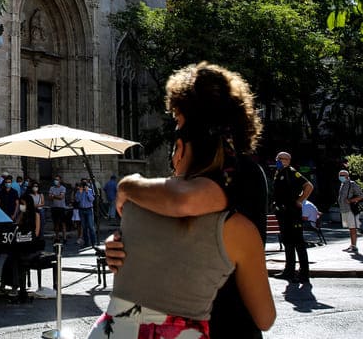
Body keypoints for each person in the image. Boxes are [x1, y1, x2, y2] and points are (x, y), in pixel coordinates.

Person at [90, 62, 275, 339]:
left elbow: (184, 203)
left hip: (229, 326)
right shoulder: (180, 189)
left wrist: (129, 185)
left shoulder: (241, 171)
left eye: (178, 118)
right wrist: (120, 246)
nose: (176, 129)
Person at [273, 151, 313, 284]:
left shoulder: (291, 172)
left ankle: (304, 273)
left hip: (292, 213)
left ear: (287, 160)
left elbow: (308, 186)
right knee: (287, 242)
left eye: (280, 159)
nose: (277, 161)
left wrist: (300, 200)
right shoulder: (279, 173)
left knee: (298, 242)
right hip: (283, 213)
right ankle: (289, 271)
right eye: (277, 158)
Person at [0, 193, 43, 298]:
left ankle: (15, 286)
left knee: (16, 258)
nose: (21, 205)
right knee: (10, 258)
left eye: (22, 204)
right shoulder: (23, 214)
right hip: (22, 243)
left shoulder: (36, 215)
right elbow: (17, 226)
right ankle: (4, 284)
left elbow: (36, 233)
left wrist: (25, 236)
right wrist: (20, 216)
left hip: (32, 245)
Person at [338, 169, 363, 254]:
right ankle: (352, 245)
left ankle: (354, 246)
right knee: (350, 228)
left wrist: (351, 200)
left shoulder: (352, 184)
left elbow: (361, 196)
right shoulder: (342, 184)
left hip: (351, 210)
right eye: (340, 175)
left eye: (342, 175)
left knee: (352, 228)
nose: (340, 177)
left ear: (347, 176)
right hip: (344, 209)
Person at [75, 179, 96, 247]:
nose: (83, 187)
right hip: (82, 210)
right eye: (82, 186)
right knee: (84, 227)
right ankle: (86, 242)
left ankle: (93, 242)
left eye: (84, 186)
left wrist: (87, 192)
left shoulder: (90, 190)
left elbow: (92, 199)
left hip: (89, 209)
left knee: (91, 226)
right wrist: (80, 193)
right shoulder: (79, 191)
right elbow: (77, 200)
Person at [49, 175, 68, 243]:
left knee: (63, 223)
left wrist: (53, 195)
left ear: (60, 180)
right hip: (54, 207)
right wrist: (56, 196)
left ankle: (64, 237)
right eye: (55, 179)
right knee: (55, 223)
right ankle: (57, 237)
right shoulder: (52, 188)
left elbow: (61, 197)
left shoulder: (63, 188)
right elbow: (50, 197)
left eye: (57, 179)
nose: (56, 181)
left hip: (61, 208)